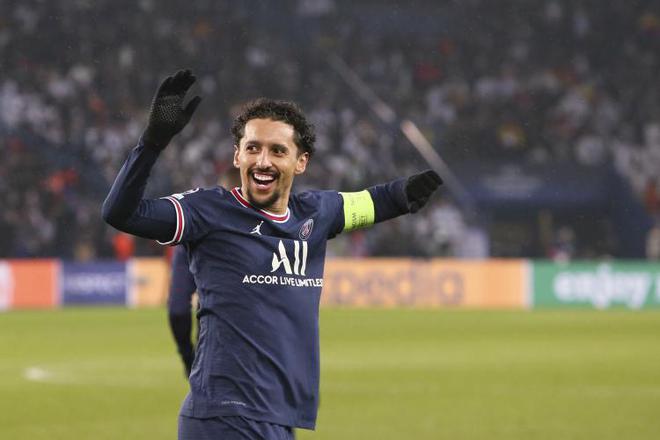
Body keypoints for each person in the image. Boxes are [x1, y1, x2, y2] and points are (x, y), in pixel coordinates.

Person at [102, 69, 442, 439]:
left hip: (278, 417)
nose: (263, 161)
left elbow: (377, 200)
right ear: (237, 156)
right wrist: (151, 143)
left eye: (278, 151)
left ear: (301, 162)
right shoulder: (208, 211)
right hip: (224, 417)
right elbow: (121, 213)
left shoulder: (317, 213)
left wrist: (411, 190)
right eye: (253, 148)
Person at [168, 168, 242, 378]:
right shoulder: (277, 230)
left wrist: (187, 357)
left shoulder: (195, 230)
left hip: (213, 349)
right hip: (271, 354)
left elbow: (177, 308)